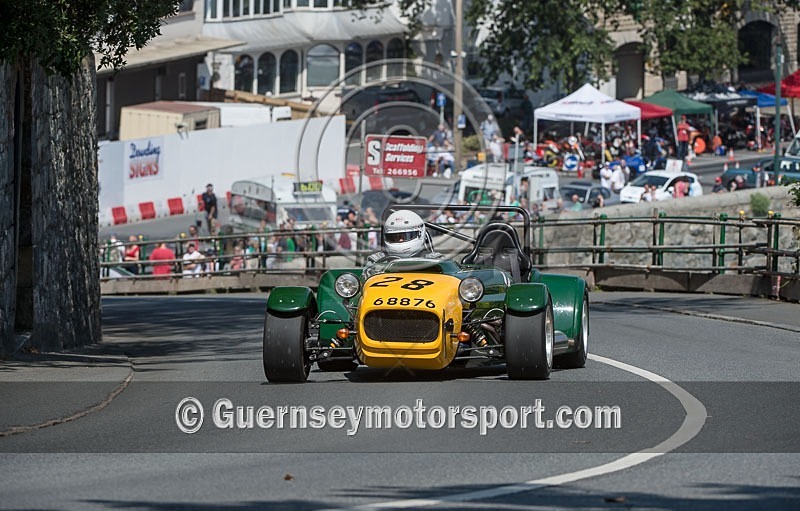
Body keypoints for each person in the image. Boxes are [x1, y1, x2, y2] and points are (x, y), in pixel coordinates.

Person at [363, 210, 441, 279]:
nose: (400, 240)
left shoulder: (435, 260)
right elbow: (367, 282)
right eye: (395, 237)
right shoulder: (376, 260)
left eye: (406, 236)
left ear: (420, 234)